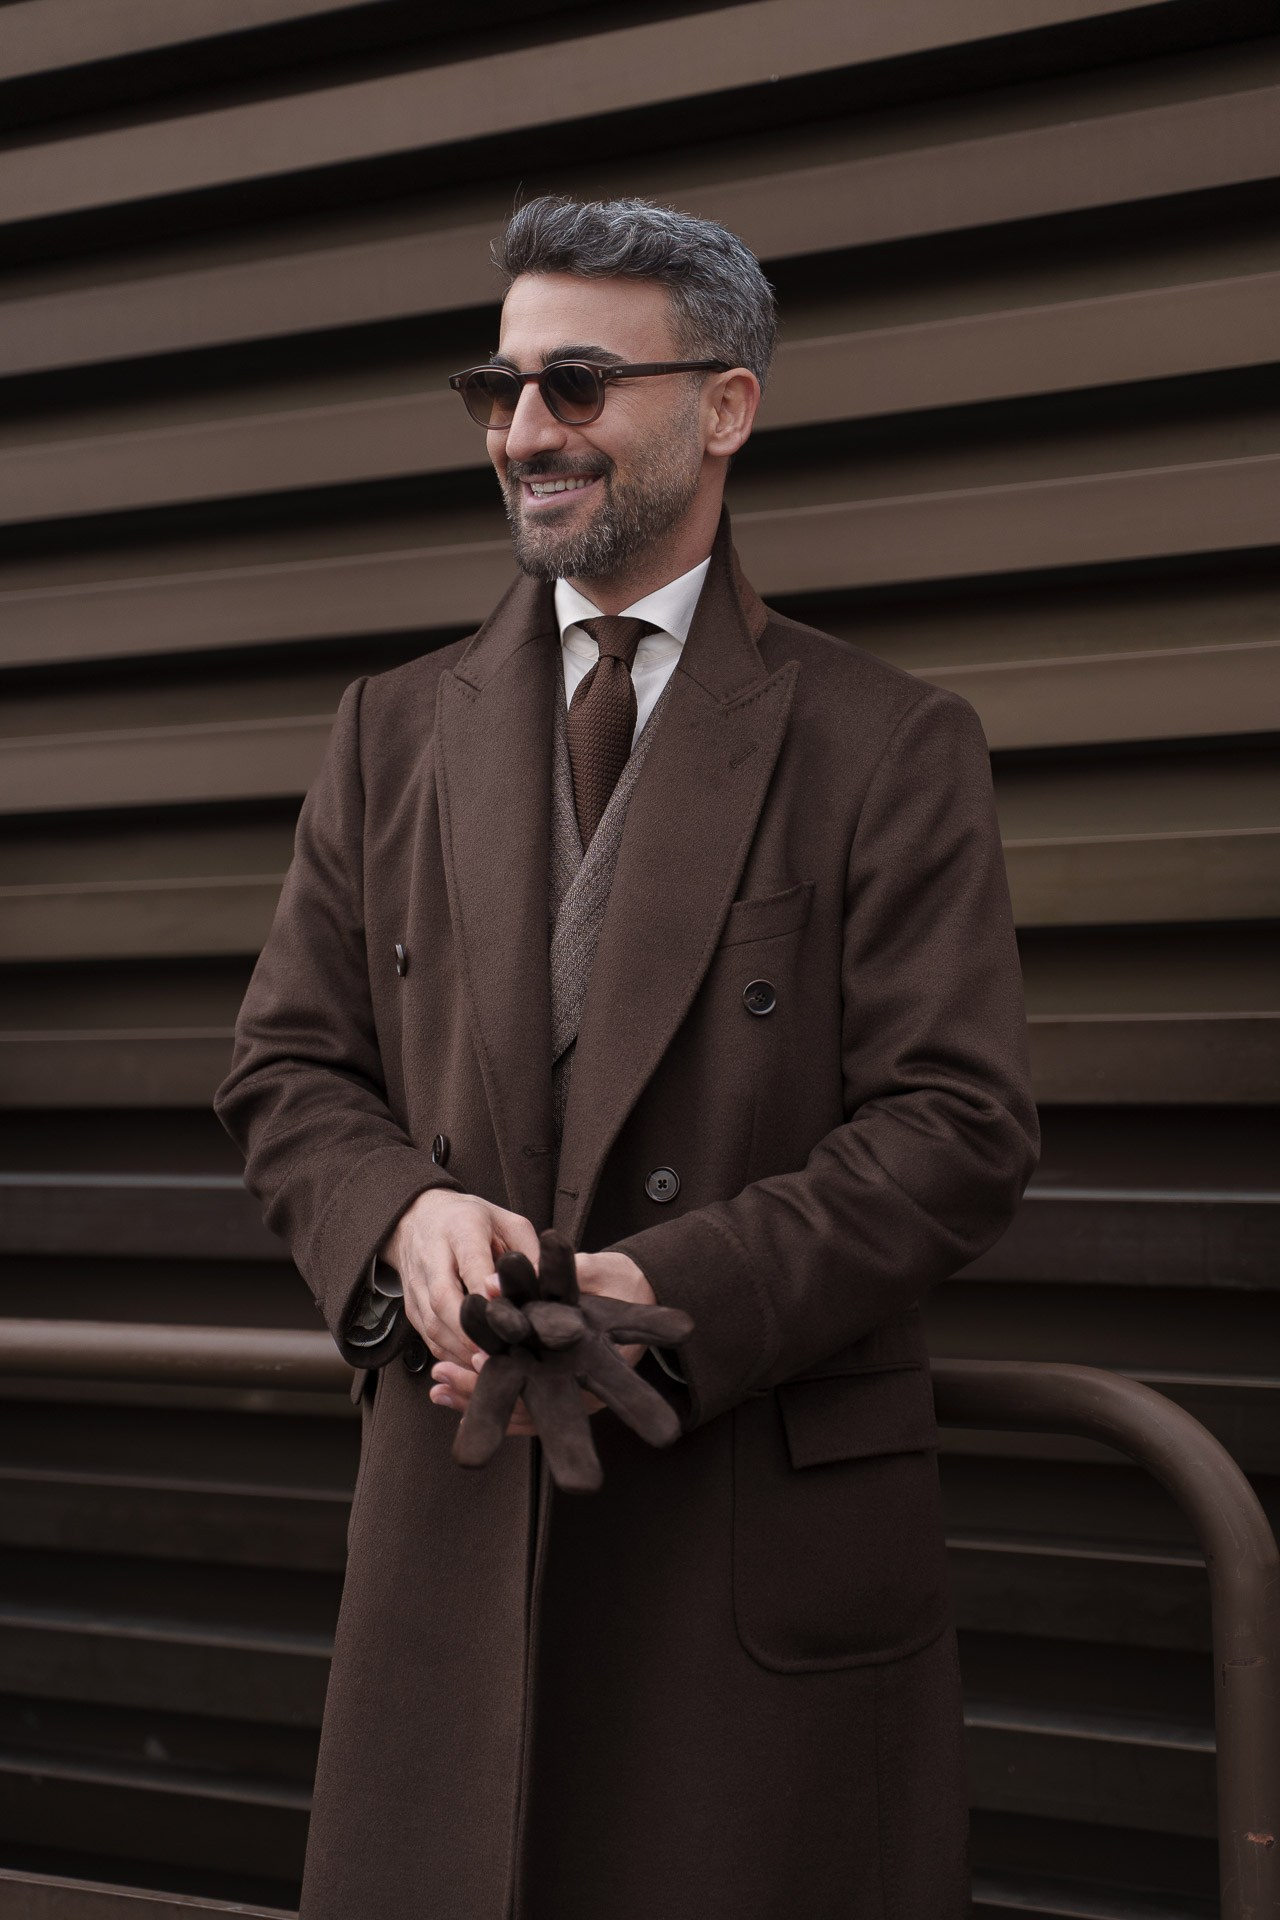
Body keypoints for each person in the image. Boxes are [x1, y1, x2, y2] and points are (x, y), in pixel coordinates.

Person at [215, 195, 1039, 1920]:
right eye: (497, 389)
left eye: (577, 386)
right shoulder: (389, 731)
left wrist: (658, 1288)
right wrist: (399, 1221)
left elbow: (956, 1125)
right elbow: (288, 1068)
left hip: (735, 1527)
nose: (526, 433)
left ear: (723, 408)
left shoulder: (887, 740)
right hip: (455, 1520)